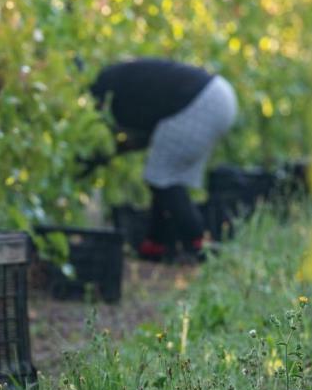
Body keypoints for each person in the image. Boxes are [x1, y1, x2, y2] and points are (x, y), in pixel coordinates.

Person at [82, 58, 238, 263]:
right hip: (219, 96)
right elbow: (144, 132)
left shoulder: (105, 91)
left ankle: (199, 241)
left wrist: (92, 159)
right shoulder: (117, 78)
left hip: (203, 103)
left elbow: (127, 137)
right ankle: (155, 244)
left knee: (163, 179)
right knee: (163, 174)